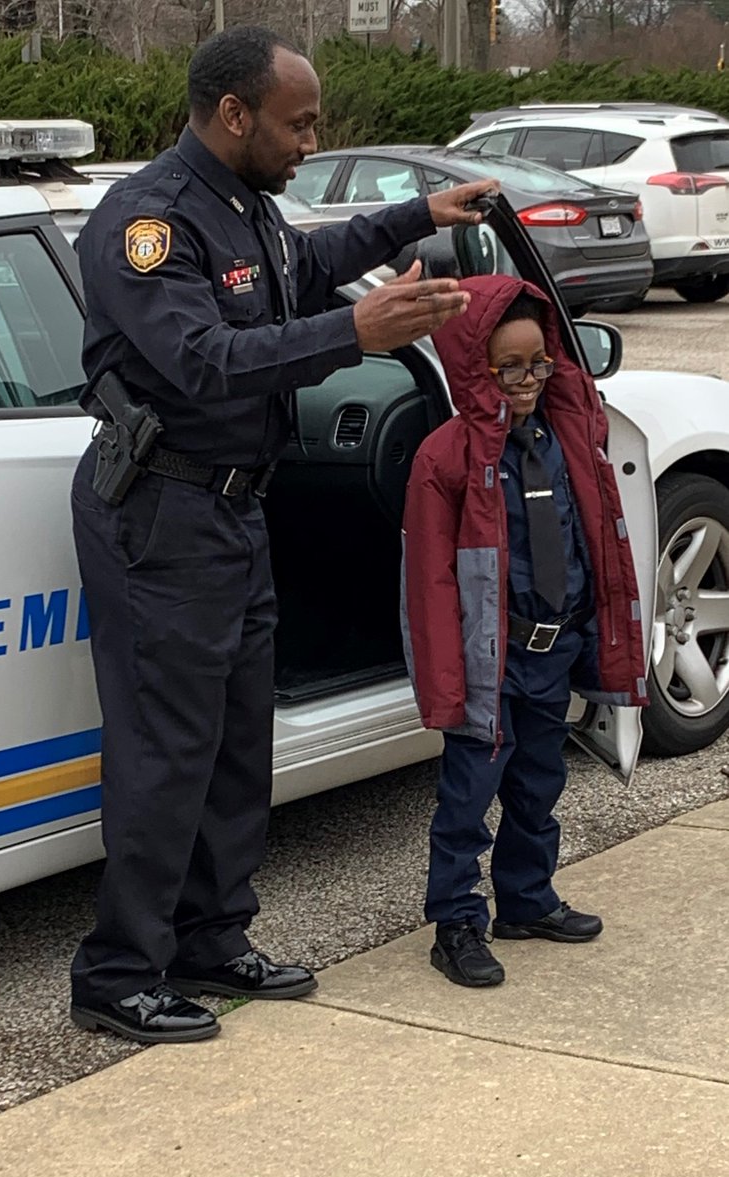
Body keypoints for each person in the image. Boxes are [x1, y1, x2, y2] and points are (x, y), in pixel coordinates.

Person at [68, 25, 498, 1046]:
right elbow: (203, 360)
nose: (312, 141)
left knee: (234, 745)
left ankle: (212, 940)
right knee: (166, 752)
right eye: (299, 123)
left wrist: (415, 215)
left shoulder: (244, 207)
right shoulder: (148, 221)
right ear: (234, 114)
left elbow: (306, 264)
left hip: (233, 510)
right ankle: (118, 973)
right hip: (162, 511)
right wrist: (357, 332)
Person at [402, 275, 648, 989]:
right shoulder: (446, 457)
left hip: (554, 648)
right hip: (490, 661)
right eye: (508, 368)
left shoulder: (565, 440)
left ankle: (526, 898)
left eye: (539, 362)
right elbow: (429, 584)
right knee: (469, 795)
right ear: (474, 369)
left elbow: (591, 542)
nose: (527, 380)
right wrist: (447, 681)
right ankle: (456, 922)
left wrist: (597, 636)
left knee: (540, 783)